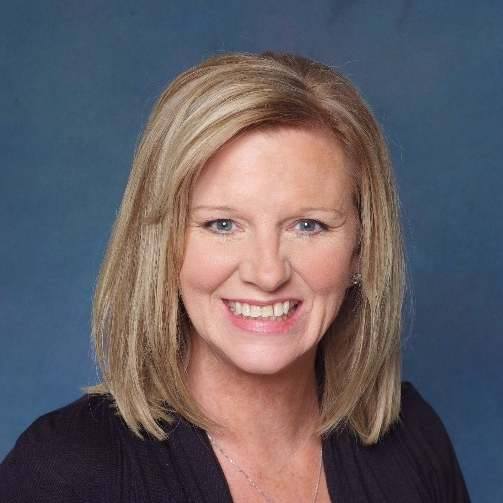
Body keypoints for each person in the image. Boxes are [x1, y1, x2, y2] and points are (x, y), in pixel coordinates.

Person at [0, 51, 470, 502]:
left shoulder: (414, 440)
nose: (267, 273)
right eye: (222, 224)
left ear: (362, 250)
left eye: (308, 225)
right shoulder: (64, 473)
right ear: (161, 246)